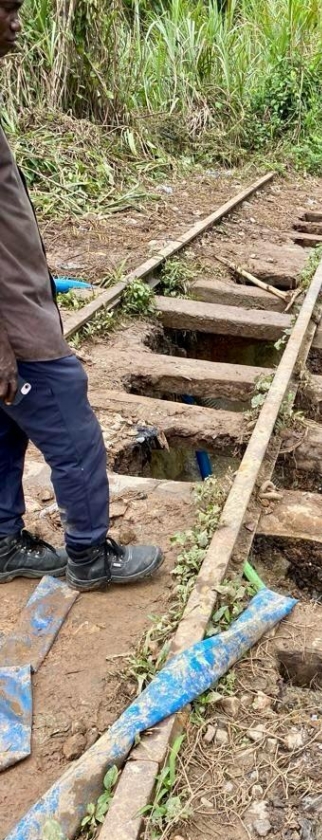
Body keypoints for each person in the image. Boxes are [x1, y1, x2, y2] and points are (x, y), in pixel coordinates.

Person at [0, 0, 163, 590]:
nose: (17, 22)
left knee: (4, 431)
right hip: (18, 332)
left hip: (18, 311)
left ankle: (2, 544)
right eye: (7, 9)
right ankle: (90, 558)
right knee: (77, 441)